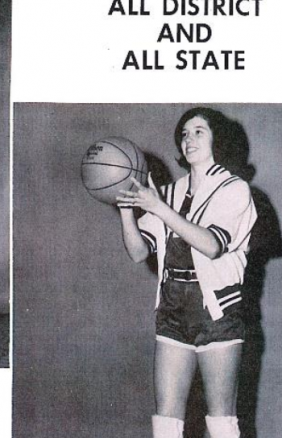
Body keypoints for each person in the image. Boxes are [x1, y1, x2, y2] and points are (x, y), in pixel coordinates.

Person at [115, 108, 257, 438]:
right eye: (184, 134)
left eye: (198, 132)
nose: (188, 139)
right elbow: (139, 252)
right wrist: (126, 211)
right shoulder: (169, 192)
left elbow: (211, 245)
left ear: (217, 139)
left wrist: (157, 208)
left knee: (221, 423)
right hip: (172, 306)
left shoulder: (234, 189)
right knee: (165, 422)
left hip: (217, 310)